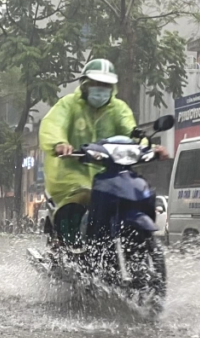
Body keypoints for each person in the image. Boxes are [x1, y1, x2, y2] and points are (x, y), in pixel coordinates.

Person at [38, 58, 167, 241]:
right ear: (84, 84)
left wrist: (151, 148)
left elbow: (132, 134)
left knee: (137, 194)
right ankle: (70, 246)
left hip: (110, 173)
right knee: (80, 198)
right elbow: (53, 124)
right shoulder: (68, 105)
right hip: (70, 173)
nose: (101, 88)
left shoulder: (119, 109)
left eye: (106, 85)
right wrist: (59, 143)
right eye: (96, 83)